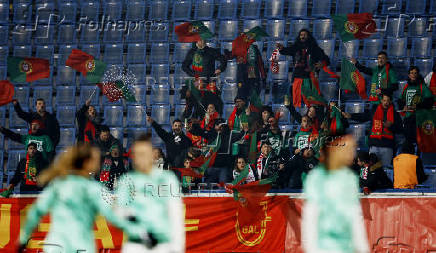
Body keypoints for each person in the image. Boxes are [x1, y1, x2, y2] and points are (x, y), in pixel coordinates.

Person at [18, 144, 142, 253]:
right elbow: (113, 215)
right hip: (82, 246)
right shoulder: (93, 188)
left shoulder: (58, 185)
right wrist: (140, 232)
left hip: (55, 246)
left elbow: (36, 212)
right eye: (95, 160)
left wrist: (23, 239)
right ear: (86, 163)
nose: (98, 163)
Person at [116, 133, 185, 253]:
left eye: (144, 154)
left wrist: (178, 247)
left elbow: (175, 214)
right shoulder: (126, 180)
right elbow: (119, 212)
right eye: (137, 154)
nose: (141, 158)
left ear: (151, 154)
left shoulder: (167, 178)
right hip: (135, 246)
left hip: (162, 245)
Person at [302, 135, 369, 253]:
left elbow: (354, 216)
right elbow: (312, 214)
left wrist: (362, 247)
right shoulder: (317, 177)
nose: (351, 155)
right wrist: (312, 248)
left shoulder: (350, 178)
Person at [277, 29, 331, 108]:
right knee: (296, 101)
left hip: (310, 78)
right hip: (297, 77)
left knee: (312, 101)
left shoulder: (315, 48)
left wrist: (321, 64)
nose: (302, 36)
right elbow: (286, 51)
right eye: (301, 35)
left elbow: (326, 60)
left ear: (308, 36)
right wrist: (281, 49)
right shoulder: (295, 47)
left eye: (305, 35)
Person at [181, 28, 227, 119]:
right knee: (190, 101)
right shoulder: (192, 52)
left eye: (203, 39)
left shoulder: (211, 51)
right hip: (197, 82)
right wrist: (193, 75)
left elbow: (223, 60)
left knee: (212, 103)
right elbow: (184, 66)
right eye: (200, 39)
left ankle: (214, 121)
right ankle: (185, 120)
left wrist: (220, 69)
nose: (202, 41)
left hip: (210, 82)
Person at [351, 93, 403, 167]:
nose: (386, 102)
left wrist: (390, 127)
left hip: (387, 147)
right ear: (381, 100)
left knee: (385, 170)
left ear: (391, 101)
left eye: (388, 101)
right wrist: (351, 116)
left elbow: (400, 129)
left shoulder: (395, 114)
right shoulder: (374, 111)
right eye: (384, 100)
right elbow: (363, 116)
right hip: (374, 146)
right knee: (372, 168)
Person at [225, 26, 267, 99]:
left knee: (252, 93)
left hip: (251, 70)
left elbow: (260, 63)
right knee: (241, 95)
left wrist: (263, 77)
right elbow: (231, 56)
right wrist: (227, 54)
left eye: (246, 35)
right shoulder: (238, 46)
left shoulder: (254, 48)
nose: (244, 37)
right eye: (242, 35)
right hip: (242, 71)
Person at [398, 66, 434, 145]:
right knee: (408, 142)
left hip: (418, 119)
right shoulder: (406, 86)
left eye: (415, 73)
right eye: (411, 73)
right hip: (408, 118)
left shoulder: (422, 86)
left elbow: (430, 101)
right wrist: (403, 106)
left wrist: (417, 106)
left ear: (418, 75)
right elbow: (401, 100)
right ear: (408, 75)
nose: (413, 75)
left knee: (418, 142)